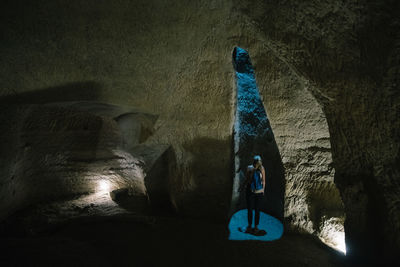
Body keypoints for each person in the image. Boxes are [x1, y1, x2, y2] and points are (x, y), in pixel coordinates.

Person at [239, 155, 266, 234]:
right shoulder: (261, 168)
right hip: (258, 191)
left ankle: (250, 226)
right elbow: (263, 181)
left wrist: (242, 186)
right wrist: (263, 190)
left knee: (250, 210)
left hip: (250, 191)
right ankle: (255, 227)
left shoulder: (250, 167)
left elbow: (247, 179)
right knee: (256, 210)